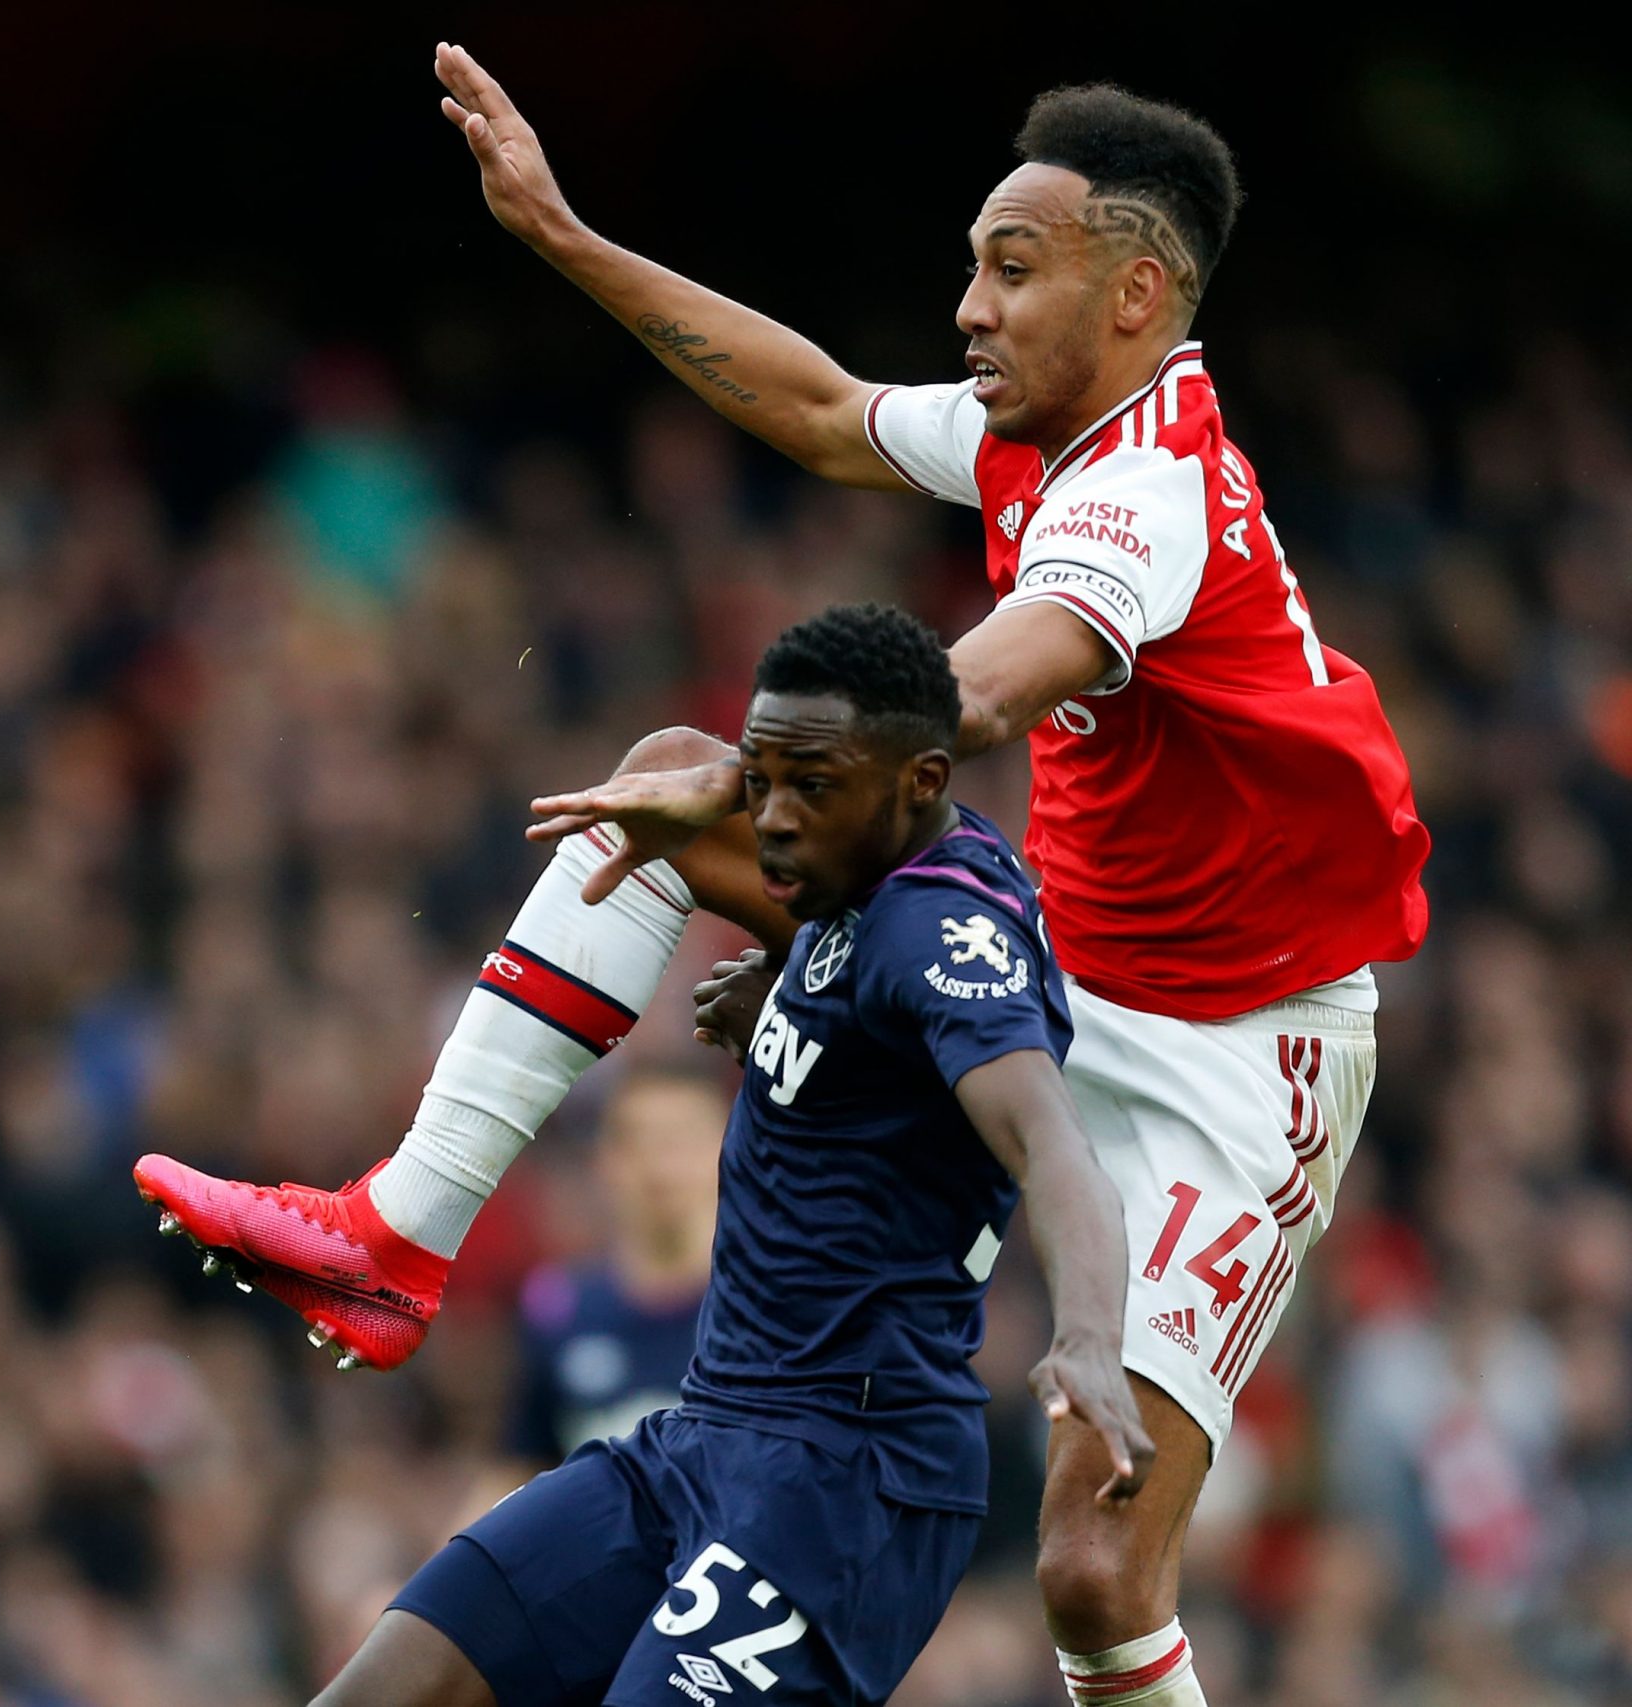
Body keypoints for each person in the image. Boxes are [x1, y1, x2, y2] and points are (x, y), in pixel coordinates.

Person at [136, 46, 1429, 1707]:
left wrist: (800, 859)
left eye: (1010, 271)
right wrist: (560, 233)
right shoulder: (1041, 434)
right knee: (683, 784)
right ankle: (403, 1225)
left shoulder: (1149, 493)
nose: (968, 306)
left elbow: (957, 705)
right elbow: (822, 411)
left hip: (1241, 1047)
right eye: (972, 264)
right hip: (1059, 954)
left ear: (1137, 295)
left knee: (1099, 1575)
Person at [150, 604, 1151, 1705]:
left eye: (807, 787)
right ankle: (395, 1231)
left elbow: (1053, 1146)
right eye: (760, 777)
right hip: (702, 1439)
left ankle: (398, 1232)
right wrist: (790, 1010)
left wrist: (1091, 1339)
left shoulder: (944, 941)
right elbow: (854, 1013)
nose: (769, 819)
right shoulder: (854, 889)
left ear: (919, 780)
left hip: (851, 1486)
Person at [478, 1069, 724, 1511]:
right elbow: (516, 1471)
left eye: (682, 1140)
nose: (662, 1166)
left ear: (728, 1152)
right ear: (604, 1161)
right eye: (639, 1142)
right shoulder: (561, 1309)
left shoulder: (771, 1306)